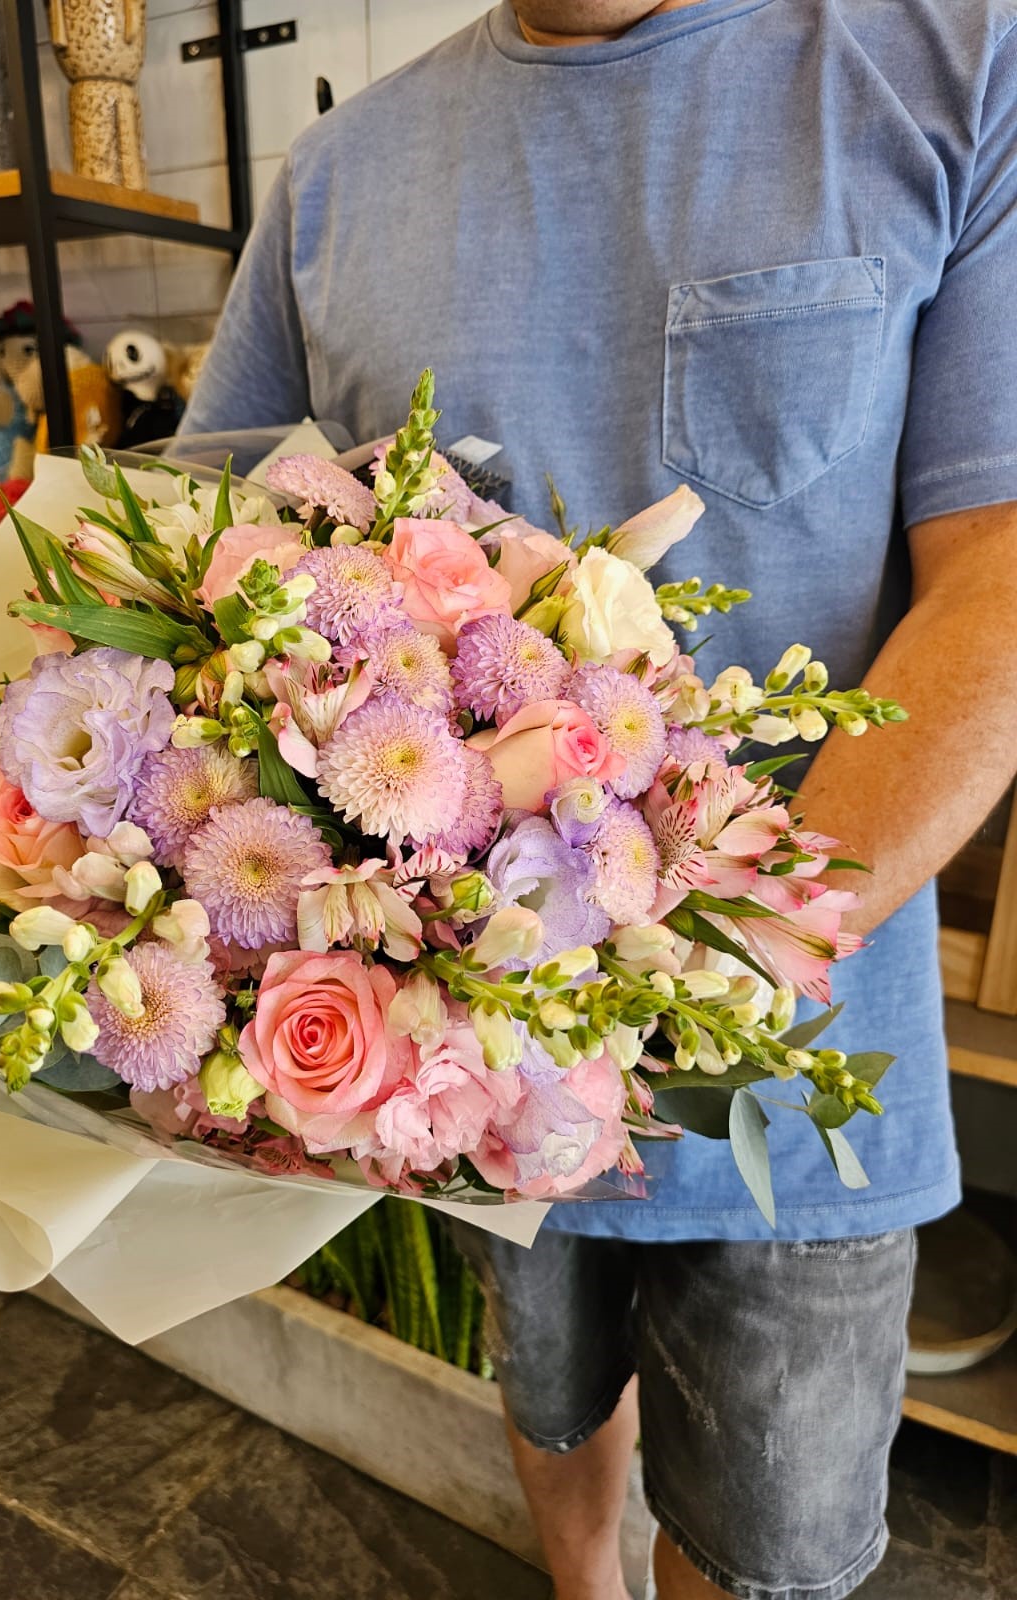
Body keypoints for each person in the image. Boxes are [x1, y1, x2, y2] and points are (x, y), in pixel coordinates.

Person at [179, 3, 1017, 1595]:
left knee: (764, 1546)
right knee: (553, 1407)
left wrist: (708, 963)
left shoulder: (951, 64)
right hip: (462, 1050)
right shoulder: (340, 172)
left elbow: (999, 576)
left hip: (798, 1068)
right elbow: (216, 559)